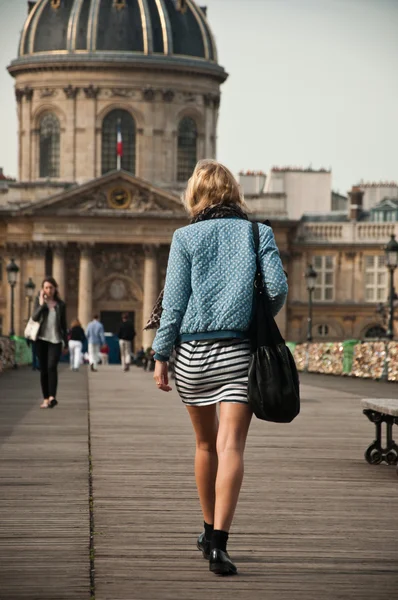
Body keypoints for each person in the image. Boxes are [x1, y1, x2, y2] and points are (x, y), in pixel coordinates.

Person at [152, 159, 288, 576]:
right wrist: (255, 316)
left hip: (193, 354)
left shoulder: (185, 237)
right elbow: (278, 289)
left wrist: (161, 354)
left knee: (204, 445)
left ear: (196, 194)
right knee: (231, 447)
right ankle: (219, 546)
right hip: (238, 352)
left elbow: (173, 303)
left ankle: (206, 528)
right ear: (233, 192)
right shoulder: (257, 232)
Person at [32, 277, 67, 409]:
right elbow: (34, 317)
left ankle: (52, 396)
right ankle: (45, 398)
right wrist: (42, 305)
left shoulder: (61, 305)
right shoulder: (38, 302)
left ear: (55, 289)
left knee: (52, 367)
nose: (49, 290)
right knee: (43, 370)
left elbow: (64, 325)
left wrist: (66, 343)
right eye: (46, 287)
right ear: (42, 289)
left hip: (55, 340)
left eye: (51, 287)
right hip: (41, 340)